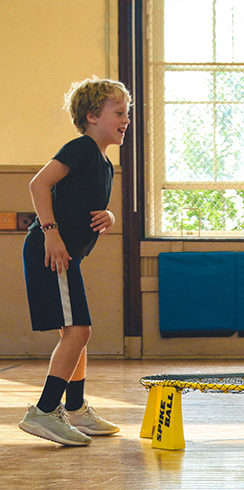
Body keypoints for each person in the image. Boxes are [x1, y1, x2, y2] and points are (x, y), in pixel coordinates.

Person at [18, 77, 131, 446]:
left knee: (77, 334)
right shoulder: (81, 148)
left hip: (68, 257)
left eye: (127, 113)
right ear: (92, 115)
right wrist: (50, 232)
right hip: (52, 251)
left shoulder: (104, 163)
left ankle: (77, 408)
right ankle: (45, 411)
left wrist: (109, 217)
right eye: (119, 112)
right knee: (78, 332)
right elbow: (38, 184)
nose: (126, 119)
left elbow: (84, 203)